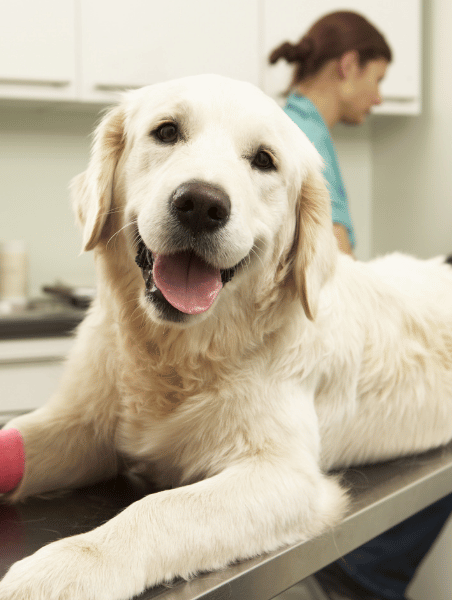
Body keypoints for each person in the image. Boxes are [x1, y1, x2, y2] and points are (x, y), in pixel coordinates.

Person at [270, 11, 452, 600]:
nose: (377, 96)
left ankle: (366, 570)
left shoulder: (291, 126)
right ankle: (366, 571)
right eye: (376, 77)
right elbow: (332, 270)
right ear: (347, 66)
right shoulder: (302, 138)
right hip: (299, 364)